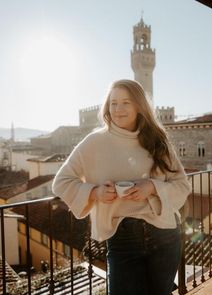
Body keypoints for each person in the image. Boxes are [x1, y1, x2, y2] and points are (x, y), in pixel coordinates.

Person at [52, 79, 191, 295]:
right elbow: (61, 182)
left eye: (126, 102)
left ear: (139, 106)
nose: (118, 109)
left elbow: (182, 185)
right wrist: (95, 192)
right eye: (113, 103)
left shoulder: (157, 140)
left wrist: (152, 187)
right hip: (122, 241)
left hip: (165, 235)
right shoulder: (94, 142)